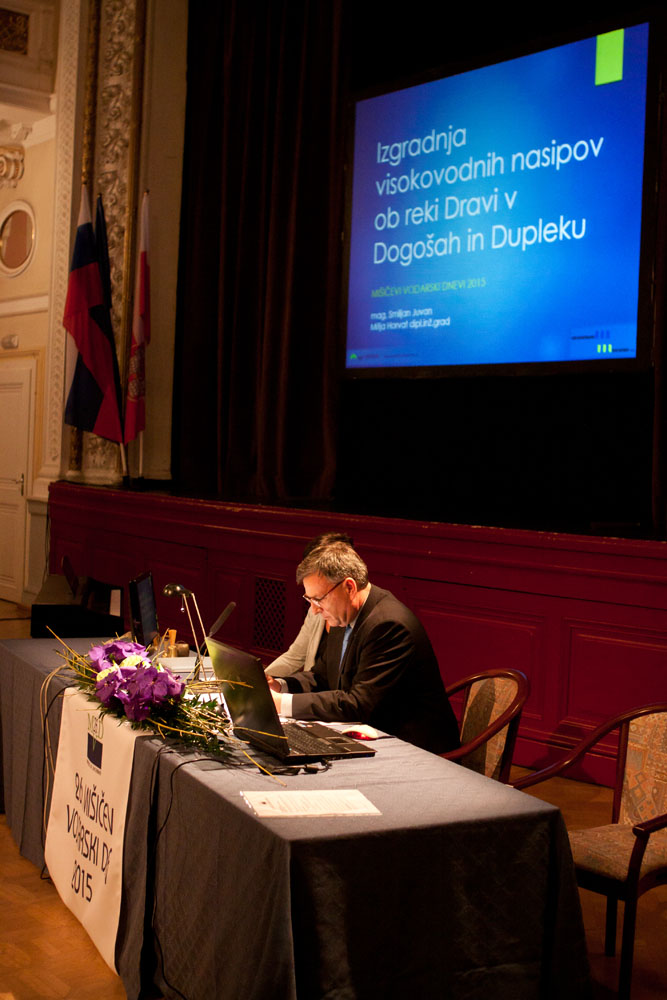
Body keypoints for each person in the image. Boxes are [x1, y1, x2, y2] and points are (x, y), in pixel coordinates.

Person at [267, 540, 460, 754]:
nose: (314, 610)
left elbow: (357, 705)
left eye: (318, 599)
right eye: (309, 599)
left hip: (416, 749)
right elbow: (320, 676)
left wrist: (282, 704)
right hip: (370, 734)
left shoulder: (389, 625)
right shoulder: (343, 614)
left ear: (349, 587)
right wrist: (280, 686)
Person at [265, 531, 353, 678]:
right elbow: (294, 656)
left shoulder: (361, 621)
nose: (315, 608)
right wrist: (259, 679)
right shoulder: (316, 607)